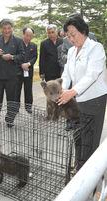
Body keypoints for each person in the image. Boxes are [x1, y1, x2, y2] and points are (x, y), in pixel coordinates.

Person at [58, 15, 107, 170]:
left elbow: (92, 74)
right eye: (68, 36)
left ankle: (89, 175)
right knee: (78, 136)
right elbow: (66, 74)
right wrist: (63, 90)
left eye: (73, 34)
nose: (71, 39)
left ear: (83, 30)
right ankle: (79, 165)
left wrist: (72, 92)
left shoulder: (96, 48)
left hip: (94, 101)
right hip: (77, 101)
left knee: (90, 140)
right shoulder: (72, 51)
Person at [0, 19, 24, 128]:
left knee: (11, 99)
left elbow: (22, 56)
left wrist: (12, 57)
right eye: (4, 28)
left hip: (12, 76)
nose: (7, 30)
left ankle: (9, 119)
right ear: (1, 29)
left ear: (12, 28)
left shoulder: (18, 41)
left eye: (9, 28)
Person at [15, 27, 37, 113]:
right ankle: (16, 107)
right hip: (18, 71)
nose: (28, 38)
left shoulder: (34, 45)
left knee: (28, 89)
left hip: (28, 70)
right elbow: (15, 56)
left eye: (31, 36)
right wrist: (21, 64)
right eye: (27, 35)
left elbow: (35, 57)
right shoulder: (17, 44)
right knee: (17, 90)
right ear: (23, 34)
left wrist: (28, 64)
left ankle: (28, 107)